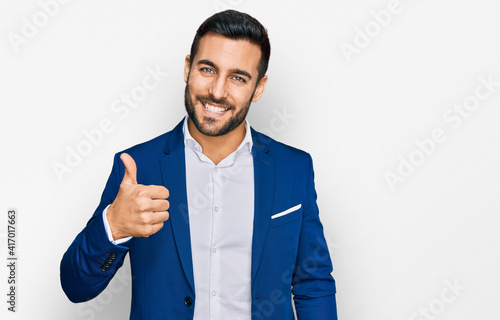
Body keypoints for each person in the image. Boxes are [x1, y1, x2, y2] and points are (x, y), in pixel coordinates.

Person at [60, 9, 337, 319]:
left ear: (258, 87)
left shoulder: (293, 169)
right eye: (207, 69)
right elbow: (76, 287)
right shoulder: (138, 167)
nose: (217, 92)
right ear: (188, 67)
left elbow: (313, 283)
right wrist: (114, 226)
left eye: (237, 77)